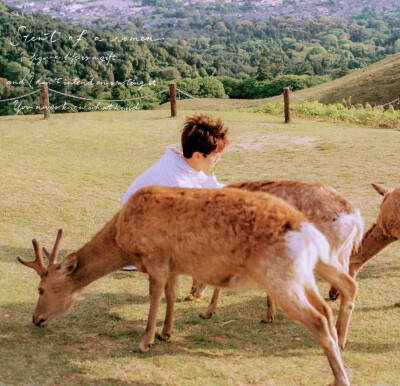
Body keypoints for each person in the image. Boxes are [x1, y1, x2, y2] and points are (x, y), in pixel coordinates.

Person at [121, 114, 229, 270]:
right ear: (198, 155)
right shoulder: (176, 181)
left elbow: (209, 185)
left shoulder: (184, 164)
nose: (218, 160)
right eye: (216, 156)